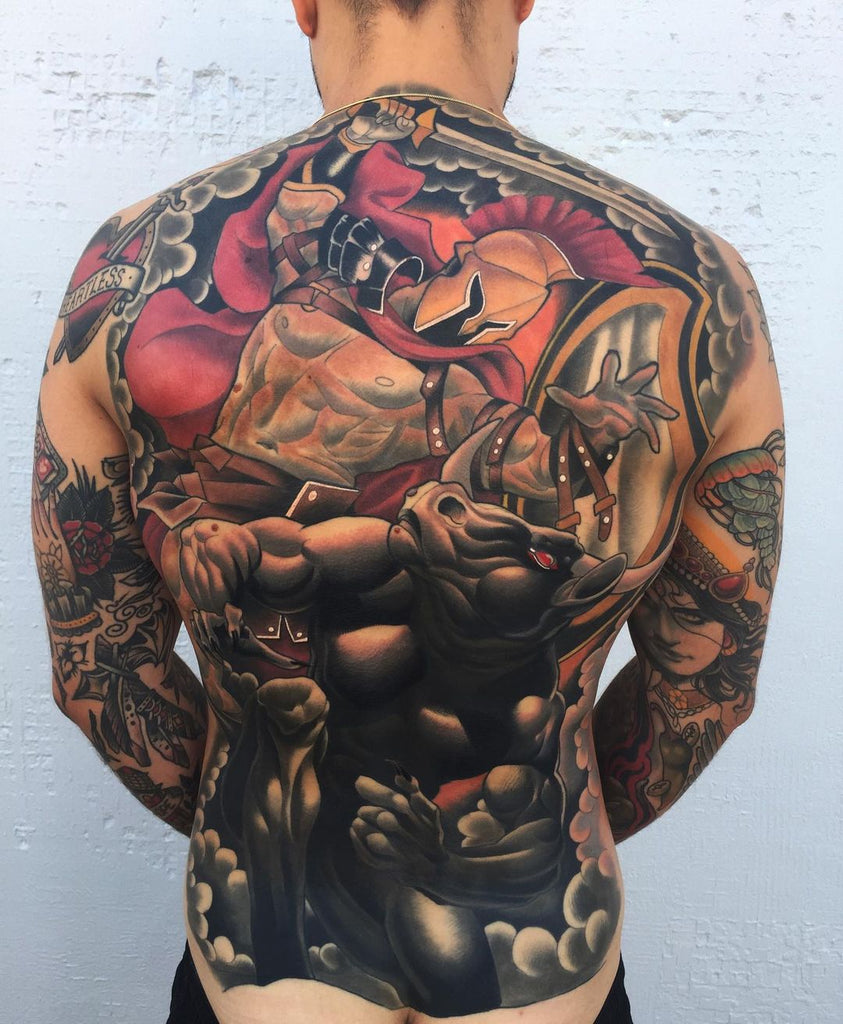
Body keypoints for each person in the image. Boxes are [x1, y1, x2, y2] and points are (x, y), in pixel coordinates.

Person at [32, 1, 784, 1021]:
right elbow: (704, 690)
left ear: (305, 5)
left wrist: (262, 812)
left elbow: (101, 674)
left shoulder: (119, 271)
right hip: (538, 965)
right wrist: (535, 829)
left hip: (268, 970)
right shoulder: (708, 286)